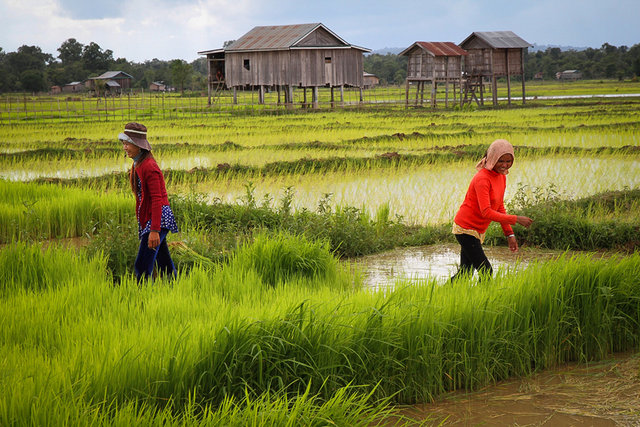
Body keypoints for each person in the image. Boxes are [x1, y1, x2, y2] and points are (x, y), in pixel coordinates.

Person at [450, 139, 533, 282]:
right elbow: (486, 212)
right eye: (501, 161)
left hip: (476, 230)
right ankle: (483, 301)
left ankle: (446, 295)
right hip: (466, 229)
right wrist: (516, 219)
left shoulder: (501, 176)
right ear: (493, 158)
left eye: (508, 161)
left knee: (465, 273)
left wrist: (509, 234)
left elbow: (499, 206)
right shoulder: (482, 179)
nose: (505, 165)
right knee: (486, 271)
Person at [119, 122, 178, 282]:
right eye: (124, 143)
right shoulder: (138, 163)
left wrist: (154, 230)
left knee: (143, 264)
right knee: (163, 261)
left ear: (139, 145)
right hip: (152, 218)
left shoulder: (149, 167)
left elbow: (157, 200)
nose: (125, 147)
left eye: (128, 143)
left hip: (158, 218)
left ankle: (143, 298)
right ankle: (174, 287)